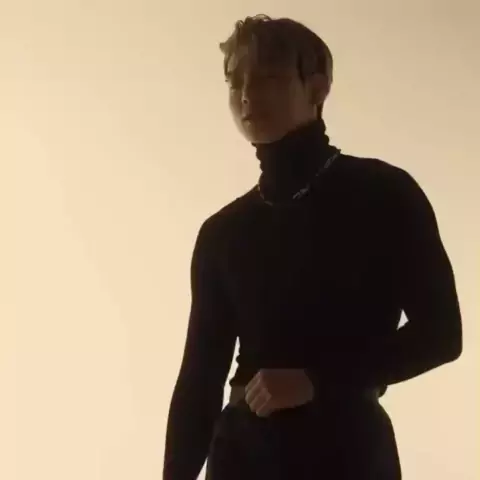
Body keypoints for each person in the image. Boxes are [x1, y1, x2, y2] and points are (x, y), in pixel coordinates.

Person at [163, 14, 463, 480]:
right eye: (236, 82)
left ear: (318, 88)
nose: (247, 94)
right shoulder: (223, 232)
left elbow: (442, 335)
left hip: (349, 456)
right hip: (243, 459)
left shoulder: (384, 194)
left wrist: (316, 381)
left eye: (267, 78)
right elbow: (199, 384)